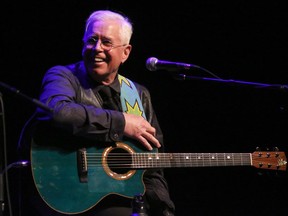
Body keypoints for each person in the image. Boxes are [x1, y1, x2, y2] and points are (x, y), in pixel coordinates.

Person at [18, 9, 175, 216]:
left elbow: (153, 165)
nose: (97, 48)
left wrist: (165, 210)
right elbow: (57, 111)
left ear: (125, 52)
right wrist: (121, 123)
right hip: (66, 193)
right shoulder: (63, 76)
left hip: (120, 195)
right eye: (91, 40)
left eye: (106, 42)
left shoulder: (138, 94)